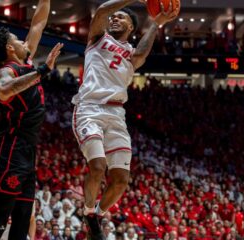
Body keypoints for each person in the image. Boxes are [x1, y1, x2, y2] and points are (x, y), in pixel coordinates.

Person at [71, 0, 178, 239]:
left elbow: (141, 54)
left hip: (117, 114)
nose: (115, 19)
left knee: (120, 181)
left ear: (131, 27)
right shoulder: (98, 38)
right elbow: (101, 12)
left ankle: (98, 214)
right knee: (98, 167)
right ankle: (88, 212)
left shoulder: (132, 53)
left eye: (122, 18)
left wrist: (157, 23)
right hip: (90, 108)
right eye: (114, 17)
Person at [0, 0, 63, 238]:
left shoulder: (25, 60)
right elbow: (4, 90)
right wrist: (42, 72)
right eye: (17, 39)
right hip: (11, 147)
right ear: (9, 48)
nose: (22, 41)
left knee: (24, 218)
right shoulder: (6, 71)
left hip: (27, 148)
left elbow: (38, 21)